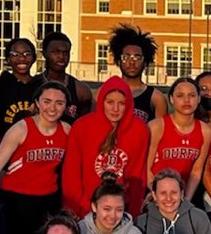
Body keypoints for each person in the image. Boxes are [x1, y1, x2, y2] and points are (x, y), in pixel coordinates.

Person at [0, 81, 69, 234]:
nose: (52, 108)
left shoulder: (67, 131)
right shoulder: (21, 128)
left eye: (59, 103)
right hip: (16, 202)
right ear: (37, 102)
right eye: (46, 101)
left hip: (47, 203)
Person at [62, 76, 152, 217]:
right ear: (101, 101)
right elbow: (71, 173)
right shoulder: (82, 127)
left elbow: (137, 176)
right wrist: (74, 208)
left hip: (121, 210)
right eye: (110, 102)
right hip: (86, 209)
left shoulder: (139, 130)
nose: (115, 109)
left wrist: (133, 214)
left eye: (121, 103)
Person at [147, 77, 211, 201]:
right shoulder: (157, 126)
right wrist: (157, 195)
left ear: (199, 98)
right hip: (154, 195)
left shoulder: (205, 131)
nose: (186, 100)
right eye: (180, 95)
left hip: (182, 196)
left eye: (192, 95)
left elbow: (196, 171)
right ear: (171, 99)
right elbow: (146, 168)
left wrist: (186, 200)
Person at [0, 37, 40, 156]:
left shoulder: (42, 87)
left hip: (34, 151)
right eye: (15, 54)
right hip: (5, 153)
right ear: (8, 59)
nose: (22, 58)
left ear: (34, 58)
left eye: (27, 54)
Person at [31, 32, 95, 123]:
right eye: (55, 52)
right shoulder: (32, 85)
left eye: (65, 53)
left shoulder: (81, 90)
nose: (61, 57)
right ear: (44, 53)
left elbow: (86, 126)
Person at [112, 24, 166, 123]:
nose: (132, 62)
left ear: (145, 62)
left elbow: (160, 133)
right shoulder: (103, 93)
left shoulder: (156, 98)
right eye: (126, 57)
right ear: (118, 61)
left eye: (137, 57)